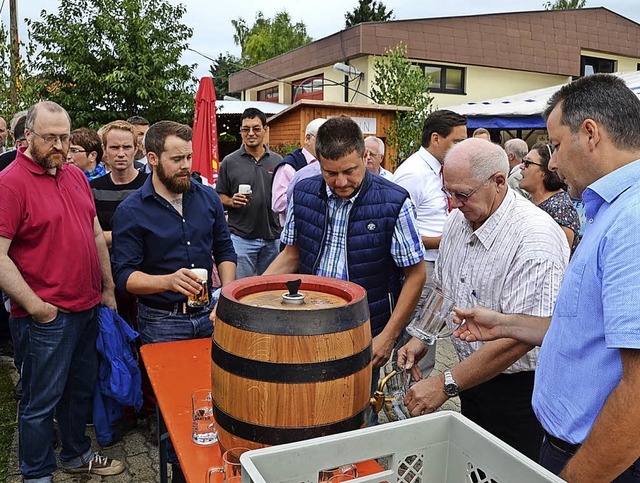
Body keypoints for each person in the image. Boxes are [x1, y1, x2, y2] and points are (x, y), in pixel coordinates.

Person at [454, 73, 640, 482]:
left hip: (601, 460)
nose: (551, 163)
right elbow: (587, 331)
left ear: (590, 133)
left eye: (555, 146)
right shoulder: (610, 210)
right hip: (575, 447)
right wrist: (503, 323)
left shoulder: (632, 220)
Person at [398, 137, 569, 461]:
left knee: (511, 468)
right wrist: (422, 336)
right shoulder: (457, 222)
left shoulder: (535, 238)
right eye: (449, 193)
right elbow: (444, 291)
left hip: (522, 391)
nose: (454, 203)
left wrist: (446, 383)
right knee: (473, 462)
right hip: (471, 377)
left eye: (462, 194)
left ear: (500, 182)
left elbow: (521, 340)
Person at [0, 101, 125, 480]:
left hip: (87, 307)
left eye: (64, 138)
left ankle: (75, 454)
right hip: (46, 318)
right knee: (40, 401)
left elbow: (93, 235)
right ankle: (37, 472)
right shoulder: (10, 183)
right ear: (27, 137)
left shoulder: (73, 175)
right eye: (49, 137)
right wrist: (37, 307)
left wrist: (107, 288)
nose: (58, 145)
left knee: (78, 392)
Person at [111, 120, 236, 482]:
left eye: (189, 157)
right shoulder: (132, 211)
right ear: (151, 158)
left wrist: (225, 293)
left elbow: (224, 250)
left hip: (210, 314)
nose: (186, 165)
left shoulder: (207, 197)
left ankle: (214, 467)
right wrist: (166, 280)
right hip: (163, 320)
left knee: (218, 397)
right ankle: (181, 472)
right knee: (177, 410)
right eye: (177, 158)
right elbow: (125, 278)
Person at [264, 115, 426, 392]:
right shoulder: (302, 192)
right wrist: (246, 294)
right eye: (330, 173)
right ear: (317, 162)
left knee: (357, 408)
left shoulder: (394, 201)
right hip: (308, 323)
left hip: (363, 328)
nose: (340, 182)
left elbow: (416, 275)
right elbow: (291, 256)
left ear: (365, 157)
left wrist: (388, 336)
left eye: (349, 171)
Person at [392, 110, 467, 377]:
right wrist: (446, 240)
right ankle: (405, 401)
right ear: (436, 138)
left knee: (427, 335)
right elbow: (396, 231)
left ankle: (412, 397)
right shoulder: (413, 173)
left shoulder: (436, 170)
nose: (462, 148)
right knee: (416, 337)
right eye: (457, 142)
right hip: (421, 266)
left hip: (437, 265)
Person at [216, 108, 282, 278]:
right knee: (240, 289)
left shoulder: (278, 161)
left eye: (256, 128)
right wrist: (231, 201)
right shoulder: (229, 162)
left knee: (270, 290)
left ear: (265, 130)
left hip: (273, 237)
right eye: (246, 129)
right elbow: (218, 196)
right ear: (241, 132)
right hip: (241, 238)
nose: (251, 133)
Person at [91, 120, 148, 249]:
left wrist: (108, 236)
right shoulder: (93, 189)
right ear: (104, 149)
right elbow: (90, 237)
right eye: (114, 147)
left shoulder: (151, 185)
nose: (121, 154)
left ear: (136, 149)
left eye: (126, 147)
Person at [519, 142, 580, 254]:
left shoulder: (561, 208)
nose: (521, 166)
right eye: (523, 161)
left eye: (527, 163)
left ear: (544, 172)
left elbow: (561, 255)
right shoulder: (528, 203)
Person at [272, 118, 326, 226]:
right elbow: (277, 204)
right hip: (295, 231)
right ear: (307, 138)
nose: (326, 145)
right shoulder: (289, 166)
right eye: (322, 140)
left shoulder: (329, 164)